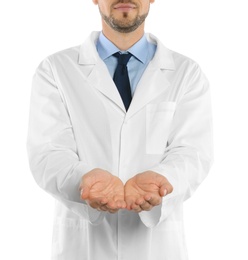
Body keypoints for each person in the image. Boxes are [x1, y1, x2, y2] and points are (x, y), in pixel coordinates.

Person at [27, 0, 213, 259]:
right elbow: (47, 152)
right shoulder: (55, 70)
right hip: (84, 247)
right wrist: (83, 180)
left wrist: (164, 179)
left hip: (157, 247)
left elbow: (193, 152)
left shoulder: (187, 73)